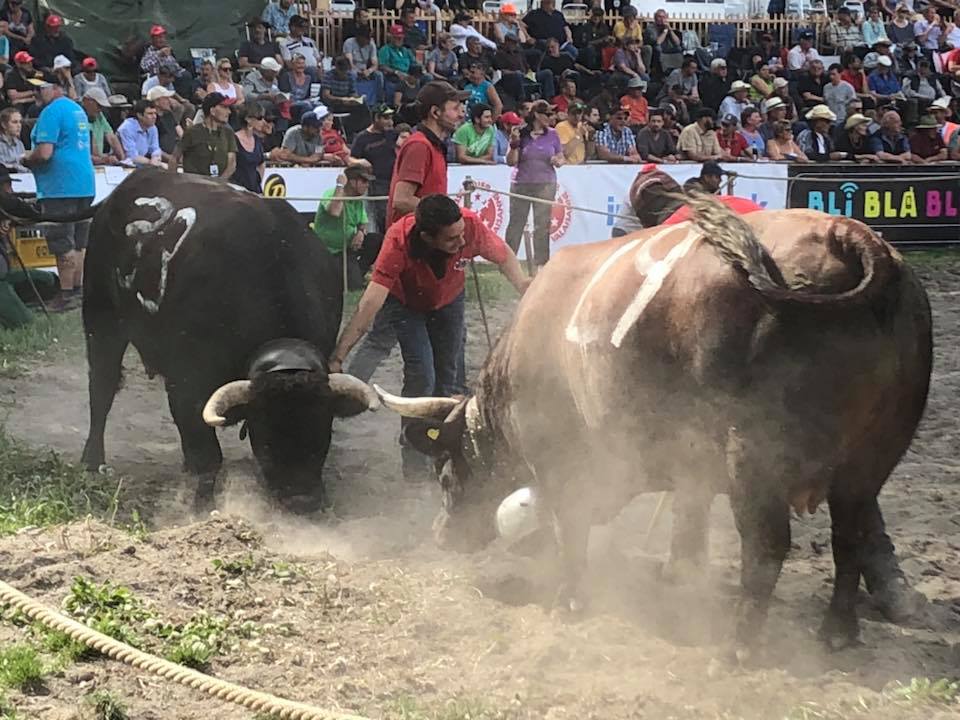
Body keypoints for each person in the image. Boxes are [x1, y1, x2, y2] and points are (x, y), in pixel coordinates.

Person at [329, 194, 529, 481]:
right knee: (422, 374)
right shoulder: (398, 240)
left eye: (461, 235)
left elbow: (503, 255)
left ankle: (447, 450)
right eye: (451, 239)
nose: (461, 243)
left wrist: (522, 284)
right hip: (406, 304)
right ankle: (413, 460)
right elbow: (371, 302)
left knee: (447, 376)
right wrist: (339, 355)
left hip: (449, 300)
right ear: (426, 237)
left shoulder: (469, 226)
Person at [22, 80, 94, 311]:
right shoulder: (76, 108)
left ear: (55, 88)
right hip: (84, 183)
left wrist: (25, 160)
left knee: (62, 242)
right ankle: (78, 292)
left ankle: (64, 296)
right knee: (80, 242)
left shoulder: (51, 112)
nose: (35, 92)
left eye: (39, 88)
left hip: (59, 186)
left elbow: (44, 153)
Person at [386, 80, 468, 227]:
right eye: (455, 108)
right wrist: (446, 214)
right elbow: (402, 200)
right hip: (413, 240)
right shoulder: (419, 146)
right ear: (435, 112)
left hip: (426, 237)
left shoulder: (430, 144)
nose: (461, 115)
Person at [505, 100, 564, 270]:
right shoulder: (520, 133)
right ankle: (508, 260)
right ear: (537, 115)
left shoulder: (553, 134)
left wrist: (558, 161)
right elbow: (511, 161)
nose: (551, 117)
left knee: (542, 224)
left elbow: (561, 155)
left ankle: (542, 264)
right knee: (516, 223)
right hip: (521, 183)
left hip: (545, 183)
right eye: (548, 114)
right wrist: (514, 144)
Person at [313, 165, 381, 291]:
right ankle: (352, 274)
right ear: (352, 181)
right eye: (364, 181)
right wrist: (340, 186)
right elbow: (334, 211)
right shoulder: (331, 193)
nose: (367, 185)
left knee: (376, 239)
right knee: (344, 286)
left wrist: (361, 232)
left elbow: (363, 222)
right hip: (328, 252)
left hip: (347, 249)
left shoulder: (357, 200)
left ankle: (358, 272)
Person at [170, 92, 237, 178]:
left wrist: (219, 183)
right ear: (212, 111)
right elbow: (174, 158)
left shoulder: (228, 132)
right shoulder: (192, 132)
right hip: (195, 185)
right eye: (224, 107)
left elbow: (232, 163)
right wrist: (174, 183)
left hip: (220, 186)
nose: (229, 111)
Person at [81, 88, 124, 165]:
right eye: (99, 106)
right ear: (87, 101)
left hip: (98, 162)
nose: (100, 109)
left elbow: (111, 137)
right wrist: (105, 160)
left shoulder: (99, 116)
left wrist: (122, 159)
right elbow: (89, 152)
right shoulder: (78, 118)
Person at [232, 103, 267, 193]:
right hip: (237, 191)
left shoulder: (257, 140)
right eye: (259, 118)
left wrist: (257, 180)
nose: (263, 122)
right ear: (248, 119)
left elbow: (261, 163)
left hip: (255, 191)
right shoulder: (234, 139)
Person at [117, 99, 163, 167]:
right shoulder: (126, 128)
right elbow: (132, 156)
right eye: (150, 114)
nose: (154, 117)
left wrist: (156, 158)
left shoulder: (153, 128)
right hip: (122, 166)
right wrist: (151, 162)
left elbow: (155, 148)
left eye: (155, 113)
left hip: (141, 166)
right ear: (139, 115)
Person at [0, 107, 27, 171]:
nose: (19, 125)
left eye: (20, 122)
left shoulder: (19, 143)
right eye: (15, 122)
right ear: (3, 124)